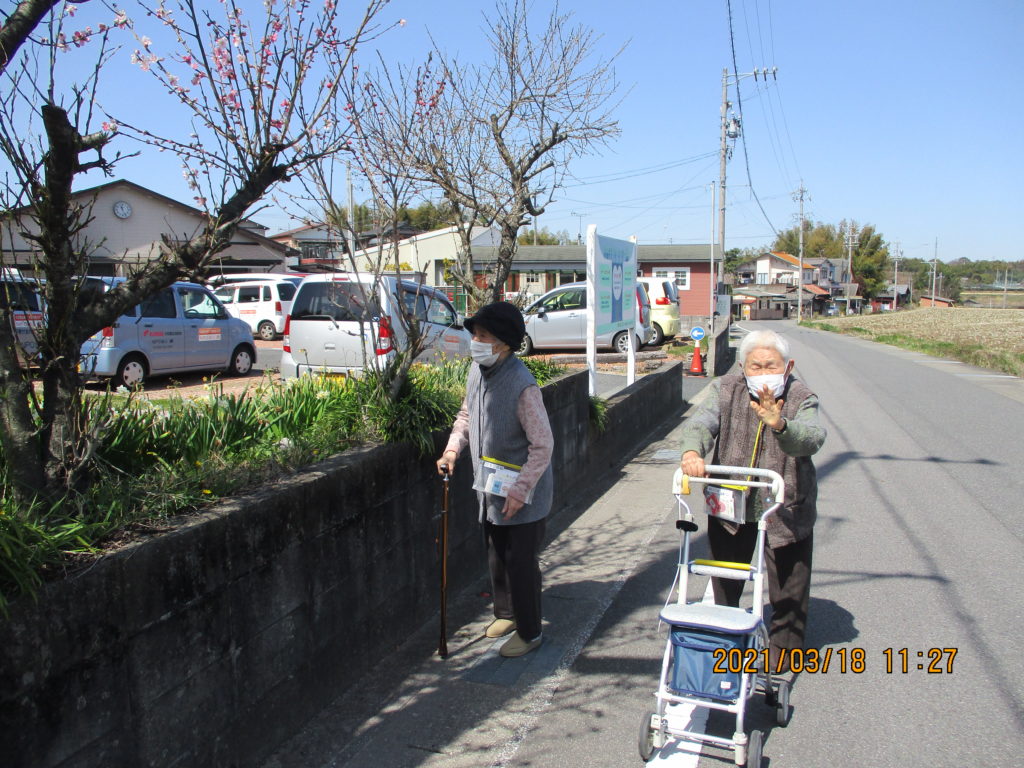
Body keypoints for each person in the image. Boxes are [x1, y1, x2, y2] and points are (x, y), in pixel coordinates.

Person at [679, 328, 826, 672]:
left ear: (788, 367)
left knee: (789, 587)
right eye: (755, 366)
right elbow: (701, 422)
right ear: (743, 367)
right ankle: (726, 643)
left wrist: (781, 425)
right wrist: (691, 451)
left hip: (785, 505)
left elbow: (812, 438)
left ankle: (783, 656)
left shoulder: (802, 396)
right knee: (725, 578)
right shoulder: (726, 388)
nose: (763, 372)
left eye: (771, 365)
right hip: (731, 502)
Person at [437, 301, 554, 658]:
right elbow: (466, 415)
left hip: (524, 492)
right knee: (497, 555)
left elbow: (543, 444)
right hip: (490, 488)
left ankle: (530, 631)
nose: (475, 341)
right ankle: (506, 614)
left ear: (503, 343)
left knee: (520, 563)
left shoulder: (522, 385)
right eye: (474, 334)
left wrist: (521, 489)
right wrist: (452, 450)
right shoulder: (477, 371)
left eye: (483, 335)